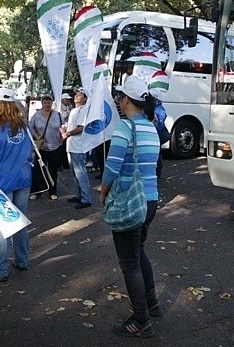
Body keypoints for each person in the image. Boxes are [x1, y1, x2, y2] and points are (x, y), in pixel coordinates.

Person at [99, 74, 161, 338]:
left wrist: (103, 192)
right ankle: (152, 303)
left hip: (129, 202)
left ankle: (141, 320)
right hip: (150, 201)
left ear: (126, 100)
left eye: (120, 97)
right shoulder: (151, 127)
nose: (118, 101)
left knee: (129, 263)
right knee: (139, 251)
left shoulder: (126, 128)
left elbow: (112, 166)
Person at [0, 87, 33, 282]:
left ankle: (0, 269)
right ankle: (22, 260)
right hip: (23, 178)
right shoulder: (23, 125)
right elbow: (30, 152)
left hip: (2, 182)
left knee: (5, 226)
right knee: (20, 222)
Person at [61, 87, 93, 209]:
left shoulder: (83, 110)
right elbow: (71, 126)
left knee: (80, 173)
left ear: (84, 98)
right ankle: (78, 194)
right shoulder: (74, 110)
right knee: (75, 173)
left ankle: (86, 198)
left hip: (78, 146)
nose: (76, 96)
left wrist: (67, 134)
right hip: (71, 145)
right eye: (76, 94)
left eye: (79, 95)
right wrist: (65, 129)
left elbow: (80, 128)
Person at [28, 94, 63, 200]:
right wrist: (36, 136)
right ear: (42, 103)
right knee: (38, 170)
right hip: (41, 147)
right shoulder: (37, 115)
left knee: (53, 170)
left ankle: (52, 191)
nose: (47, 104)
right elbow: (30, 126)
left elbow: (62, 127)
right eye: (45, 102)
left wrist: (62, 139)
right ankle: (37, 191)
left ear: (52, 103)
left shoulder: (58, 115)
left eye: (49, 102)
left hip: (55, 146)